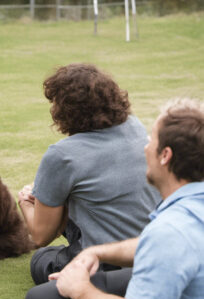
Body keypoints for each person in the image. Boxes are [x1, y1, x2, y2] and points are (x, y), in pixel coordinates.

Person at [25, 97, 204, 299]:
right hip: (185, 288)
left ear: (165, 155)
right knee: (45, 295)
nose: (144, 147)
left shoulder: (170, 230)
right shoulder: (189, 205)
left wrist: (81, 290)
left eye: (151, 140)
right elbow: (157, 246)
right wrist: (97, 252)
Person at [18, 63, 160, 285]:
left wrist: (26, 203)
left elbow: (40, 236)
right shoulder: (135, 126)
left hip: (105, 266)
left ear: (64, 109)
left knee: (42, 259)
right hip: (154, 251)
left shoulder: (62, 155)